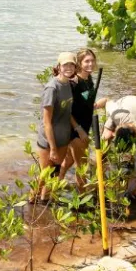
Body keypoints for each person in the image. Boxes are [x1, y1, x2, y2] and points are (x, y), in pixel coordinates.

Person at [35, 52, 83, 202]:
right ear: (58, 67)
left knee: (55, 175)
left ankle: (45, 202)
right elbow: (46, 122)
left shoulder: (69, 85)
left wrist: (78, 128)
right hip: (48, 141)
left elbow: (66, 112)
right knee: (44, 176)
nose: (68, 67)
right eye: (65, 65)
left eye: (71, 65)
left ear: (75, 67)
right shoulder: (52, 88)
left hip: (63, 138)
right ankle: (32, 201)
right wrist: (53, 148)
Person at [60, 48, 107, 190]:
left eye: (92, 60)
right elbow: (66, 110)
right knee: (82, 167)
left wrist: (98, 105)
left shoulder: (89, 79)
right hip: (75, 130)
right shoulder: (74, 83)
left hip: (84, 126)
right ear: (79, 63)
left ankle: (51, 189)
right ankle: (83, 199)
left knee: (67, 162)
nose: (90, 64)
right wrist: (79, 129)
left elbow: (84, 103)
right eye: (86, 61)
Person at [102, 95, 136, 193]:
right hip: (126, 103)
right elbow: (106, 100)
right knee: (104, 139)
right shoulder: (116, 114)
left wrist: (126, 195)